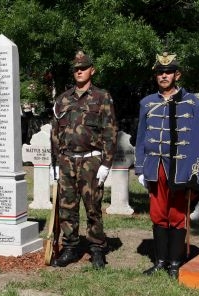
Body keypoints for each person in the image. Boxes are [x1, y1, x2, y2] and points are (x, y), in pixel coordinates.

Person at [135, 52, 199, 279]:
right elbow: (141, 137)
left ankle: (175, 263)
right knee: (158, 213)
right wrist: (141, 168)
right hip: (156, 166)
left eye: (168, 72)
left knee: (177, 214)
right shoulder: (147, 103)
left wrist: (196, 172)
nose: (164, 76)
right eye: (160, 72)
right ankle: (160, 261)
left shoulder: (194, 103)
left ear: (177, 74)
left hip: (181, 169)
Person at [50, 51, 117, 269]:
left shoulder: (102, 97)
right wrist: (55, 164)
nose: (79, 71)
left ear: (92, 70)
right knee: (66, 207)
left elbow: (110, 131)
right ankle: (70, 247)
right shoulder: (63, 99)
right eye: (76, 69)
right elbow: (55, 133)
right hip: (67, 160)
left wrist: (106, 163)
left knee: (93, 207)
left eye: (84, 68)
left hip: (91, 161)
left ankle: (97, 248)